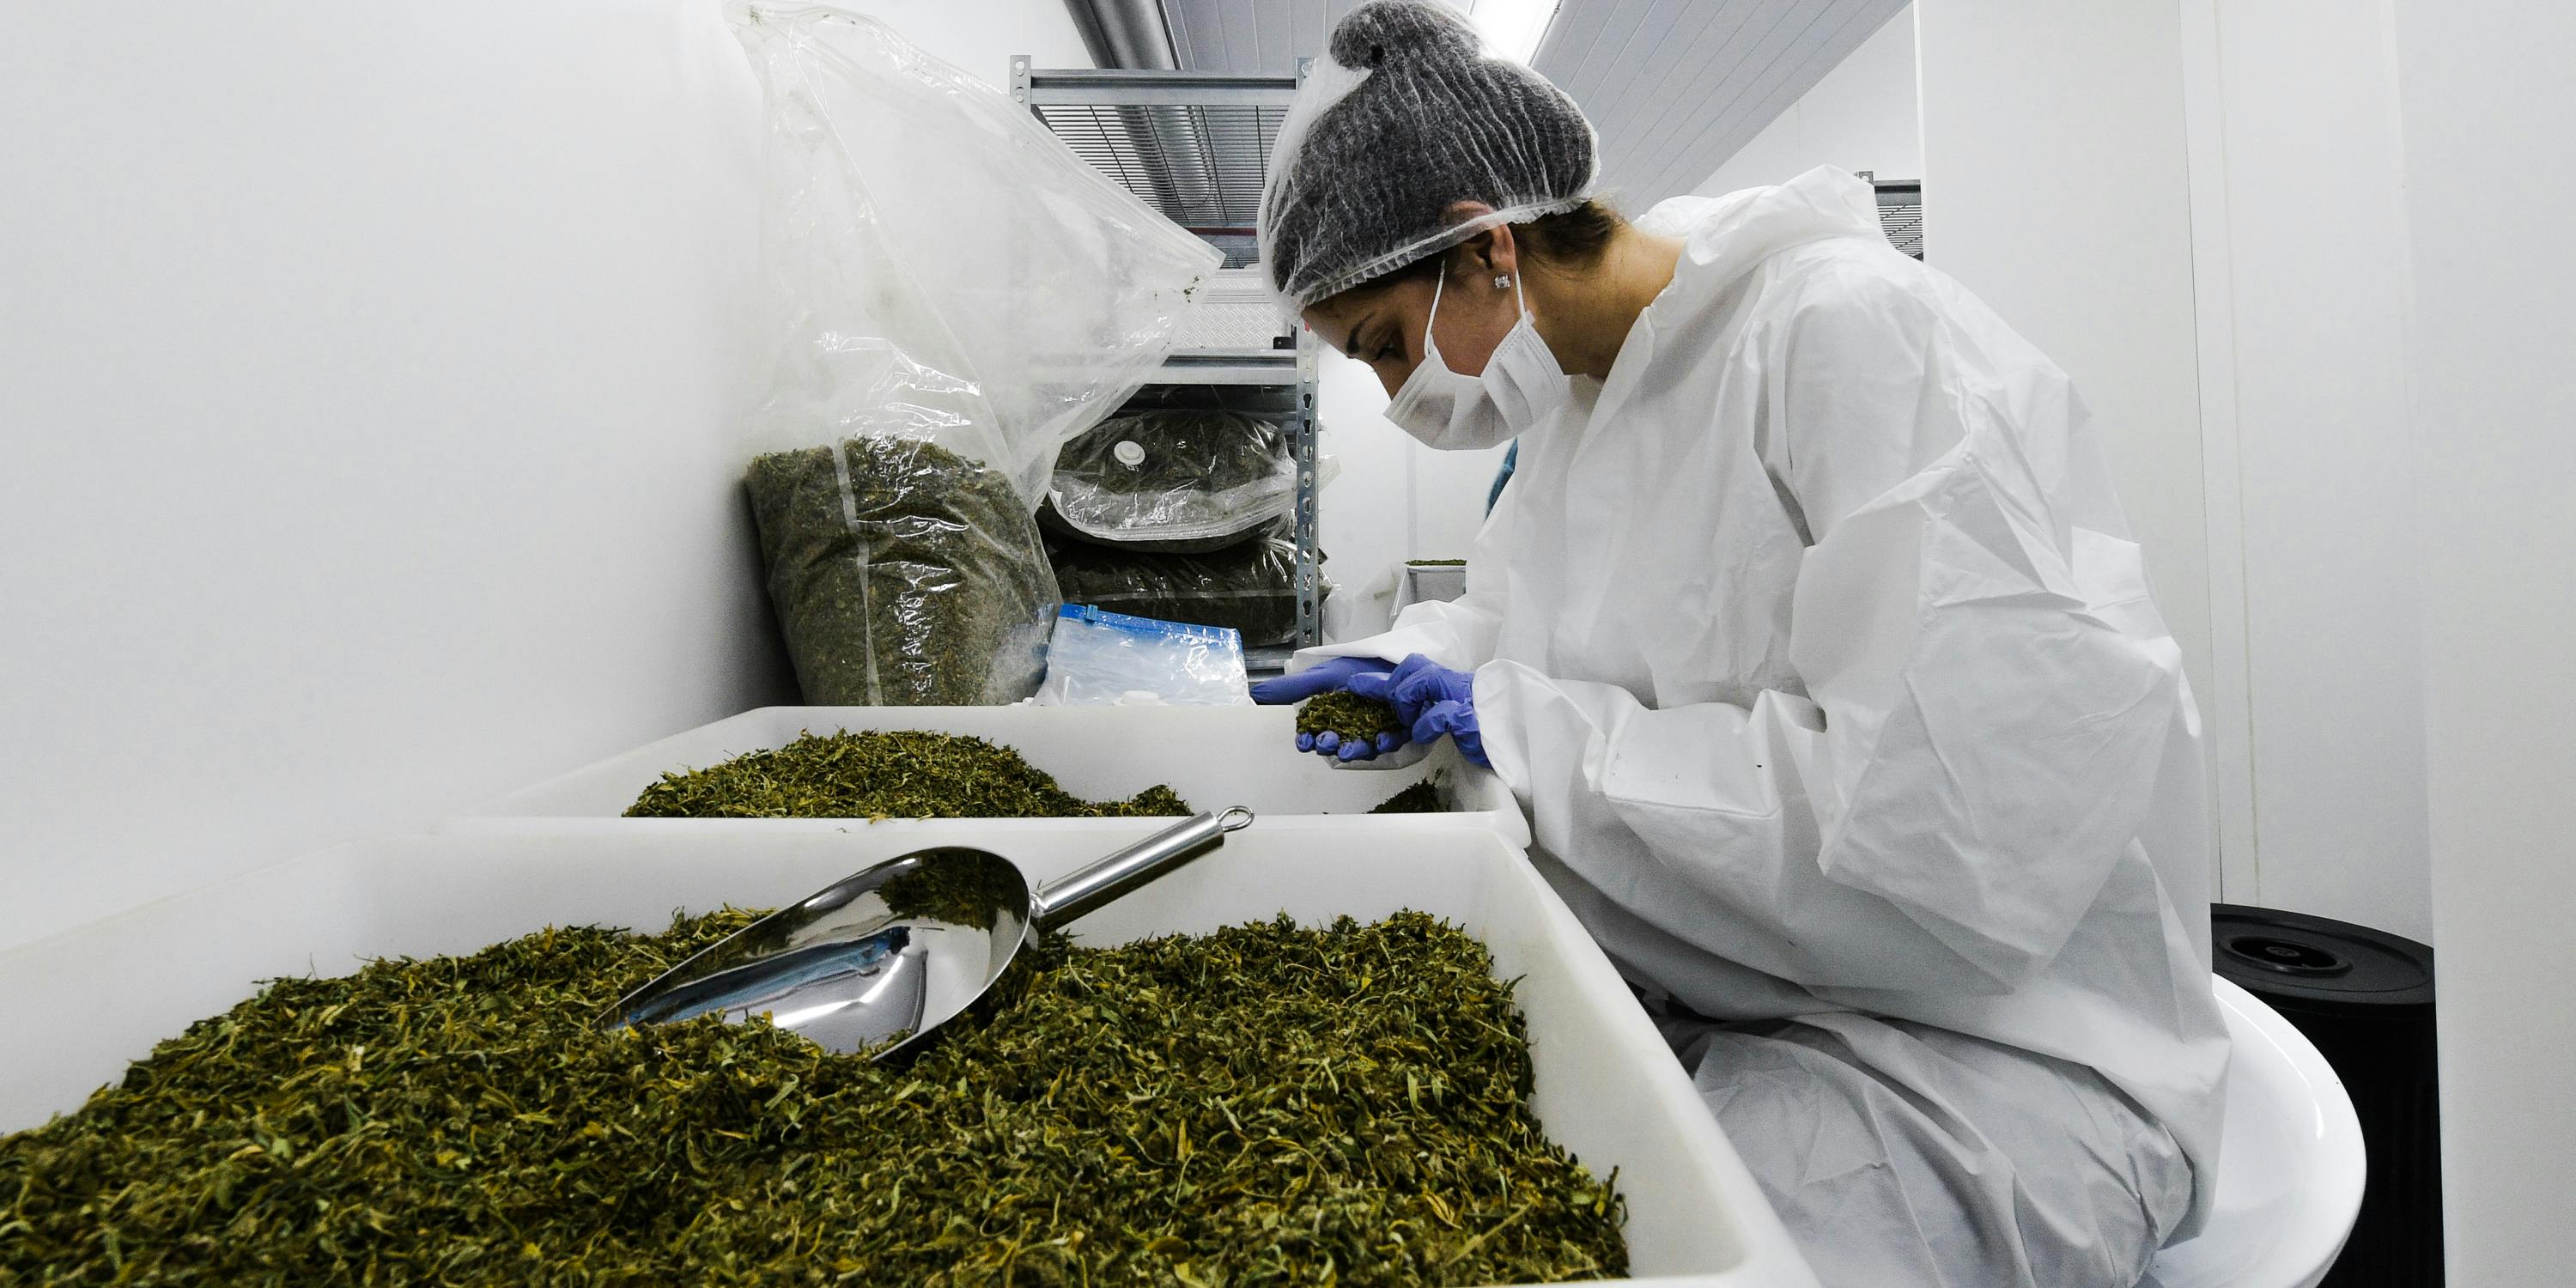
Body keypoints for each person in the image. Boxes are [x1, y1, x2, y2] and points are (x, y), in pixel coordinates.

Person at [1249, 4, 2231, 1286]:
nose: (1397, 396)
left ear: (1486, 247)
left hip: (1984, 1064)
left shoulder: (1850, 342)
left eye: (1386, 344)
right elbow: (1510, 629)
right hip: (1739, 997)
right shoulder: (1576, 426)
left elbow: (1958, 838)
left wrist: (1533, 731)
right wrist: (1389, 664)